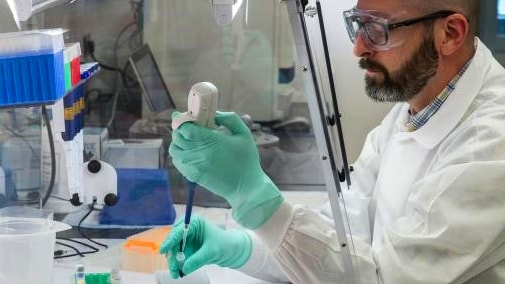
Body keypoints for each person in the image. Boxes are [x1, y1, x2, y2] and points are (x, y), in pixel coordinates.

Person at [160, 0, 505, 283]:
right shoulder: (416, 107)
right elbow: (340, 249)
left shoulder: (490, 147)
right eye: (357, 23)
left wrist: (253, 197)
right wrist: (242, 248)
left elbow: (381, 280)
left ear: (450, 33)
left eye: (377, 28)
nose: (358, 47)